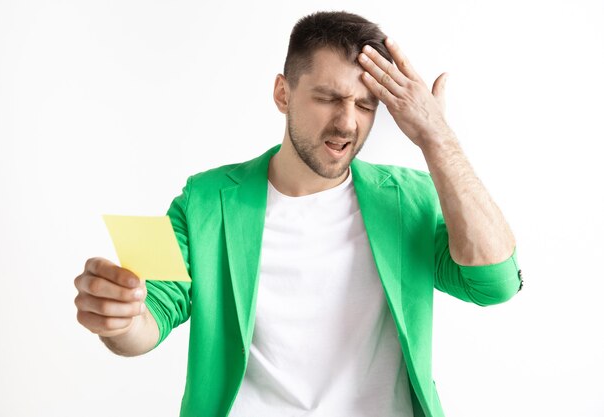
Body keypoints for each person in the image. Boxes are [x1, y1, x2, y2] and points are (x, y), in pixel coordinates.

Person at [74, 11, 522, 417]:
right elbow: (149, 317)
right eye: (328, 97)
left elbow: (495, 283)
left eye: (366, 105)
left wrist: (437, 138)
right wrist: (119, 318)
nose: (348, 122)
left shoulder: (407, 200)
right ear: (283, 93)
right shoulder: (206, 198)